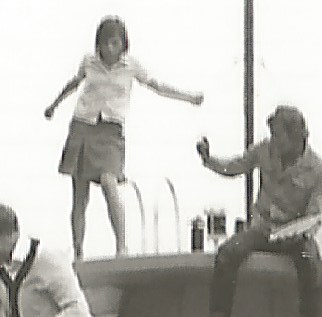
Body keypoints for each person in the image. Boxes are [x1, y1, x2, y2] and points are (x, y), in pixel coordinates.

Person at [40, 17, 205, 259]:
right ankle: (77, 251)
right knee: (79, 193)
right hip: (83, 125)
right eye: (105, 43)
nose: (109, 49)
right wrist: (53, 105)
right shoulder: (89, 61)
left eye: (114, 43)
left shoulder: (131, 66)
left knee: (109, 182)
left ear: (123, 43)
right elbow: (74, 84)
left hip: (111, 130)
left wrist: (189, 97)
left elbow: (157, 85)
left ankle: (122, 246)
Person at [192, 105, 322, 317]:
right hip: (263, 228)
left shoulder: (318, 168)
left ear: (296, 137)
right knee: (226, 254)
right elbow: (234, 166)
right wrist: (208, 159)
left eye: (279, 135)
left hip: (294, 234)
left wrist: (301, 231)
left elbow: (315, 214)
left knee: (310, 262)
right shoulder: (264, 150)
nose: (274, 141)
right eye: (273, 134)